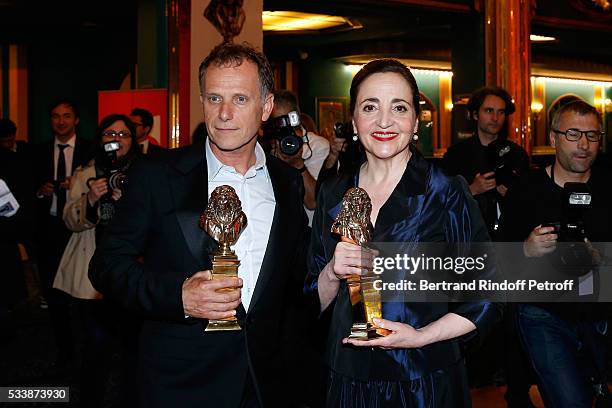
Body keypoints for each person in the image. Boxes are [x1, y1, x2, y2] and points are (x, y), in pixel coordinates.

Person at [89, 42, 309, 408]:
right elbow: (106, 266)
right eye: (213, 98)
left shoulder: (287, 181)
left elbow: (297, 275)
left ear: (266, 107)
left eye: (240, 99)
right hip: (179, 382)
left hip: (265, 381)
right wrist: (179, 297)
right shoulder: (157, 175)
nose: (224, 113)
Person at [305, 59, 502, 407]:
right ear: (354, 121)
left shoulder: (444, 191)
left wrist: (421, 336)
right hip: (348, 378)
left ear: (415, 122)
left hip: (423, 379)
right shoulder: (333, 194)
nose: (384, 121)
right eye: (370, 107)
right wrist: (331, 272)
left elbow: (489, 293)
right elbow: (310, 303)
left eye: (399, 107)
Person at [501, 100, 611, 407]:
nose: (584, 144)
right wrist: (526, 249)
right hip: (543, 313)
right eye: (573, 134)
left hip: (597, 311)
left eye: (592, 135)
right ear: (553, 138)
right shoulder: (526, 190)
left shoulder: (607, 188)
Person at [52, 113, 139, 407]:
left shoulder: (146, 172)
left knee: (134, 350)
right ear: (100, 140)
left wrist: (126, 201)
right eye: (109, 135)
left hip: (134, 273)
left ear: (133, 139)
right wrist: (89, 198)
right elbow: (69, 221)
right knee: (95, 348)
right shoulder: (84, 172)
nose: (116, 141)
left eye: (123, 135)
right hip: (94, 275)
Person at [32, 99, 93, 367]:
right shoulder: (38, 152)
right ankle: (64, 354)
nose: (61, 121)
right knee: (54, 297)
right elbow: (26, 190)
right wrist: (39, 191)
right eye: (55, 116)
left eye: (67, 116)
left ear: (76, 119)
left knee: (85, 296)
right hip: (49, 231)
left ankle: (89, 351)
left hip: (82, 234)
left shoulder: (91, 150)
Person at [443, 86, 529, 239]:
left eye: (501, 112)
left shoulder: (517, 154)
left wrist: (513, 195)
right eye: (489, 111)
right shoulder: (456, 155)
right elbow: (441, 202)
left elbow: (530, 204)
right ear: (475, 114)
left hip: (509, 240)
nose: (495, 118)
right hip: (469, 239)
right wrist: (472, 190)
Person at [268, 89, 330, 224]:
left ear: (295, 118)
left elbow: (313, 202)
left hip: (308, 230)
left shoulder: (318, 146)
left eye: (285, 121)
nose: (282, 127)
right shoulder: (265, 147)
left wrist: (298, 164)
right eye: (276, 123)